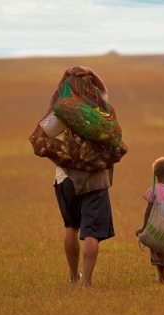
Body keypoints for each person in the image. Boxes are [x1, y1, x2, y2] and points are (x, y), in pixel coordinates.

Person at [50, 66, 115, 289]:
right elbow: (104, 89)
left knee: (71, 227)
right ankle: (86, 283)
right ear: (89, 87)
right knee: (92, 233)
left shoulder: (61, 110)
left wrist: (64, 78)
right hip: (94, 180)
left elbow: (48, 125)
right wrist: (91, 72)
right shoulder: (98, 108)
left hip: (65, 178)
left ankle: (72, 275)